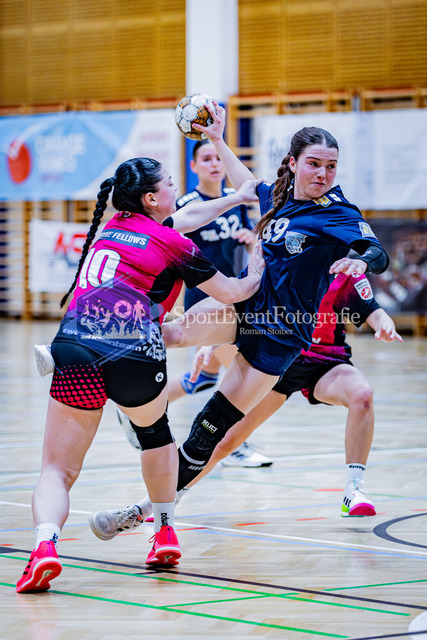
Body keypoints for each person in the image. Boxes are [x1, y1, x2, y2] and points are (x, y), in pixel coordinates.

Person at [87, 106, 390, 538]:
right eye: (314, 164)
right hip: (247, 306)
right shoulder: (279, 198)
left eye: (331, 166)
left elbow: (376, 252)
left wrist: (360, 262)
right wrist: (217, 137)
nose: (323, 174)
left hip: (282, 334)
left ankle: (146, 510)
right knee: (172, 332)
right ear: (293, 163)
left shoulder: (337, 213)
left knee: (212, 435)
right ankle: (81, 353)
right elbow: (245, 184)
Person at [16, 157, 264, 593]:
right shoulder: (173, 243)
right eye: (169, 182)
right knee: (156, 437)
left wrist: (234, 198)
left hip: (74, 346)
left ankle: (44, 547)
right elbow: (233, 292)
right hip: (134, 350)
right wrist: (258, 261)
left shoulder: (112, 226)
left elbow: (185, 217)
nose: (176, 187)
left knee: (57, 469)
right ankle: (164, 532)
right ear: (151, 198)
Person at [87, 272, 402, 540]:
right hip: (274, 360)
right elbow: (237, 301)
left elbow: (371, 308)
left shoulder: (345, 269)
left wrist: (383, 323)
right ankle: (145, 508)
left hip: (325, 362)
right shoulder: (282, 257)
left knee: (362, 394)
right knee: (221, 443)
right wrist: (210, 343)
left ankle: (353, 489)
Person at [122, 138, 272, 467]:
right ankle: (232, 445)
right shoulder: (183, 204)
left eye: (218, 158)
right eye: (206, 159)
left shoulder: (234, 201)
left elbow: (250, 250)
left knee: (202, 379)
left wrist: (250, 241)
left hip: (235, 293)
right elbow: (172, 240)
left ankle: (135, 410)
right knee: (246, 374)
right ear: (193, 167)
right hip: (206, 297)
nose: (215, 164)